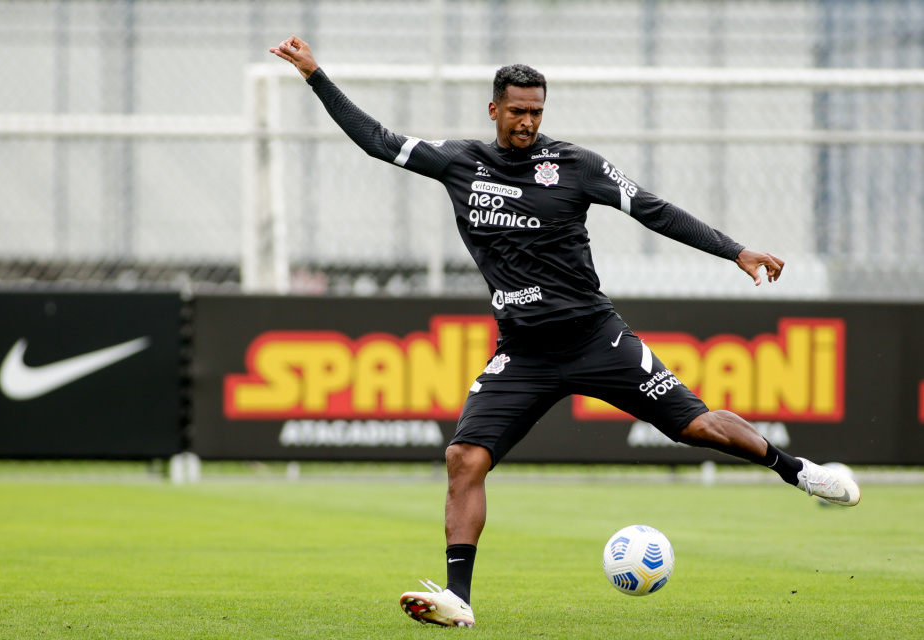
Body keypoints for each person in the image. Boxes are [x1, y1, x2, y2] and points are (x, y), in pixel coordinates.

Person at [270, 36, 860, 629]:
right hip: (523, 354)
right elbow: (378, 141)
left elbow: (652, 209)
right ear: (494, 109)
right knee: (463, 457)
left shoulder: (575, 166)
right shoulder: (458, 163)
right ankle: (458, 600)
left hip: (594, 339)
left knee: (699, 427)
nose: (528, 122)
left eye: (537, 112)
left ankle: (800, 472)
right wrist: (316, 75)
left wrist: (735, 251)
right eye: (518, 111)